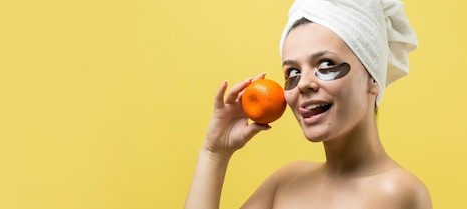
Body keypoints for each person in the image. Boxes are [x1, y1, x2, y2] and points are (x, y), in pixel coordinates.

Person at [185, 0, 432, 208]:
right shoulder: (285, 182)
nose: (303, 83)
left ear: (372, 78)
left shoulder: (396, 191)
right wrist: (214, 153)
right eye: (292, 72)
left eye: (325, 65)